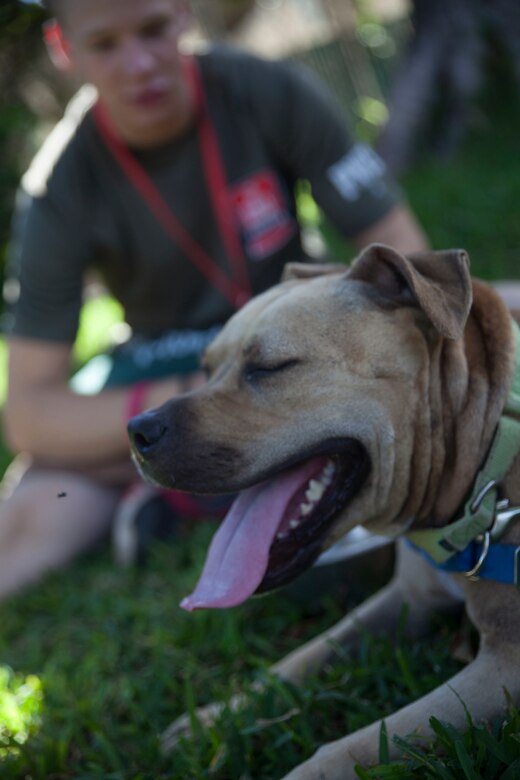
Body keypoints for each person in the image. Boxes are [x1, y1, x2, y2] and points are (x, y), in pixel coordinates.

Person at [0, 0, 428, 600]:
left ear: (183, 15)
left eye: (153, 29)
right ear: (64, 49)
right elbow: (29, 415)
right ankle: (187, 477)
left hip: (292, 351)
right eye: (105, 45)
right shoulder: (56, 188)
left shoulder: (266, 88)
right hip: (170, 374)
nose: (140, 64)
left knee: (485, 307)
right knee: (29, 520)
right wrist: (195, 408)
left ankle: (173, 490)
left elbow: (409, 273)